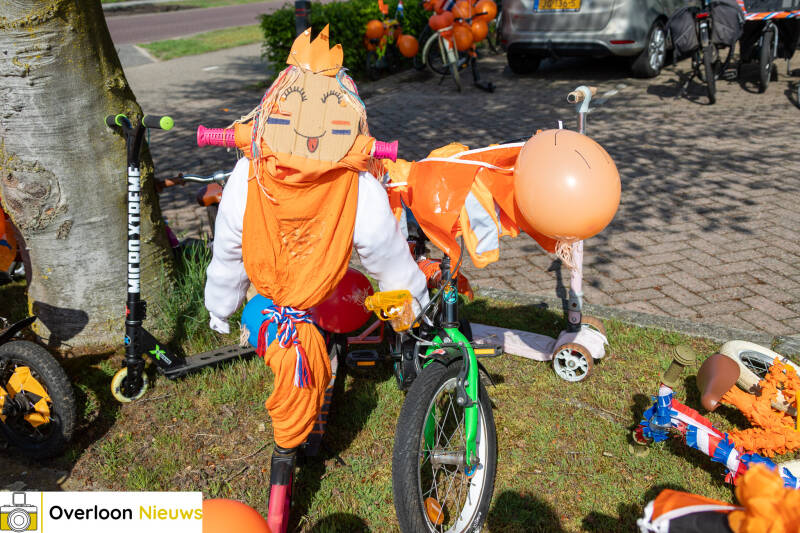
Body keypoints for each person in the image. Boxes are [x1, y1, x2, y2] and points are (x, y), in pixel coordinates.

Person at [203, 25, 427, 533]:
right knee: (315, 355)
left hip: (269, 308)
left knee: (300, 362)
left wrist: (221, 309)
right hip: (316, 298)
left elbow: (229, 254)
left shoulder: (248, 176)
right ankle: (307, 414)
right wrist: (415, 301)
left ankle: (300, 432)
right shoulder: (360, 187)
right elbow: (387, 257)